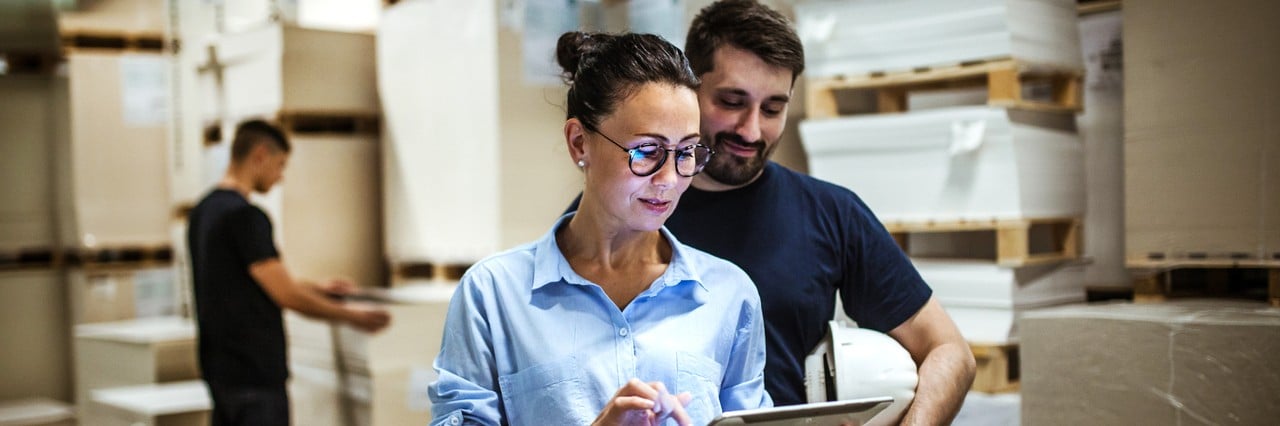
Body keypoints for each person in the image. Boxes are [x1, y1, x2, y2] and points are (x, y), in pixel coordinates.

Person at [572, 0, 976, 423]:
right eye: (732, 101)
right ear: (689, 89)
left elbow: (948, 350)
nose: (751, 130)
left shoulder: (831, 214)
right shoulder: (621, 211)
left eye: (772, 109)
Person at [429, 32, 771, 426]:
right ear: (579, 143)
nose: (669, 179)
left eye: (686, 152)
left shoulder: (729, 295)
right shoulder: (494, 294)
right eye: (647, 151)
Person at [187, 120, 391, 425]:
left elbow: (246, 282)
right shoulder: (246, 216)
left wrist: (318, 288)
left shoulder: (204, 211)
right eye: (280, 164)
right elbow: (285, 294)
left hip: (221, 373)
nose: (280, 177)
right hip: (255, 376)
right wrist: (352, 316)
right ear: (260, 155)